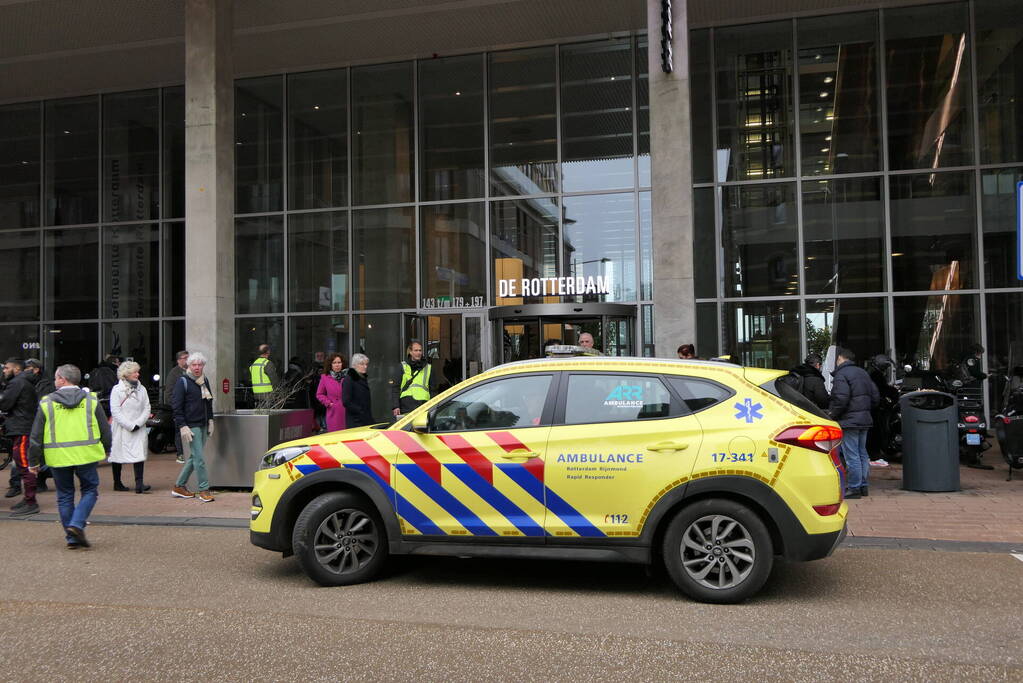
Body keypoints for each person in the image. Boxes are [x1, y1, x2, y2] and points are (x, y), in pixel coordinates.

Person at [28, 364, 111, 549]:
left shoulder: (46, 402)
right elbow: (105, 428)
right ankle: (76, 524)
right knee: (90, 491)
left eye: (56, 377)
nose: (54, 380)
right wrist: (107, 448)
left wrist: (33, 461)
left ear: (62, 380)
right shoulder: (91, 400)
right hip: (86, 455)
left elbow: (36, 436)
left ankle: (73, 537)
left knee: (65, 496)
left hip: (58, 456)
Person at [828, 348, 879, 500]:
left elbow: (840, 399)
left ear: (840, 359)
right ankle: (863, 486)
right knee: (862, 453)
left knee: (852, 456)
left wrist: (832, 414)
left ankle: (854, 487)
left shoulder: (841, 375)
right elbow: (875, 397)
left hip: (849, 421)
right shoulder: (863, 373)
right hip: (864, 419)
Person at [171, 352, 215, 502]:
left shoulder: (204, 381)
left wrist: (210, 420)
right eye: (194, 365)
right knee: (199, 458)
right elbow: (176, 406)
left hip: (203, 423)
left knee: (194, 456)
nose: (197, 367)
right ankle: (204, 489)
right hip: (191, 425)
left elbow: (208, 402)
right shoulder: (182, 381)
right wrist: (183, 426)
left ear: (203, 365)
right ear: (188, 366)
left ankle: (179, 486)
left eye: (199, 364)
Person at [1, 358, 39, 516]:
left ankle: (31, 501)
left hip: (21, 428)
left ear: (16, 369)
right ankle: (28, 498)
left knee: (23, 464)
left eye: (7, 368)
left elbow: (4, 404)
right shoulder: (24, 382)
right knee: (22, 463)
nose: (4, 371)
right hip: (22, 426)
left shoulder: (17, 383)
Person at [108, 361, 152, 494]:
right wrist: (129, 425)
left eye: (137, 371)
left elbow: (147, 407)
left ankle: (139, 484)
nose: (137, 374)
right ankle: (117, 482)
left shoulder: (142, 389)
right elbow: (115, 411)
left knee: (139, 454)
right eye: (134, 372)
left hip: (138, 427)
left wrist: (138, 423)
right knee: (117, 454)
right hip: (122, 428)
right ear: (126, 374)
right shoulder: (116, 390)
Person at [390, 341, 432, 417]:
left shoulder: (428, 367)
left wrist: (433, 406)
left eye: (420, 350)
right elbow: (395, 388)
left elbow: (433, 389)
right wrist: (396, 406)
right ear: (410, 352)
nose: (418, 353)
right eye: (416, 350)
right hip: (406, 405)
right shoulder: (402, 366)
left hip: (424, 404)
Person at [164, 350, 189, 464]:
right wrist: (176, 407)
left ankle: (188, 452)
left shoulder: (190, 371)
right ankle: (181, 454)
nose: (187, 360)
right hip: (179, 408)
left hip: (190, 408)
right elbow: (169, 393)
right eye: (185, 358)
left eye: (188, 357)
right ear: (179, 360)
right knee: (180, 431)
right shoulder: (174, 373)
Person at [315, 353, 347, 432]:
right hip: (333, 412)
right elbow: (319, 394)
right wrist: (329, 403)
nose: (337, 365)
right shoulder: (325, 377)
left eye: (339, 362)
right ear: (330, 365)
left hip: (347, 411)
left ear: (342, 364)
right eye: (334, 363)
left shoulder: (348, 376)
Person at [343, 353, 373, 428]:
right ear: (355, 365)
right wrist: (360, 411)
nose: (365, 367)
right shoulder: (349, 378)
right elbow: (346, 401)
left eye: (366, 364)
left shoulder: (362, 378)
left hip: (365, 419)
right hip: (356, 421)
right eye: (362, 364)